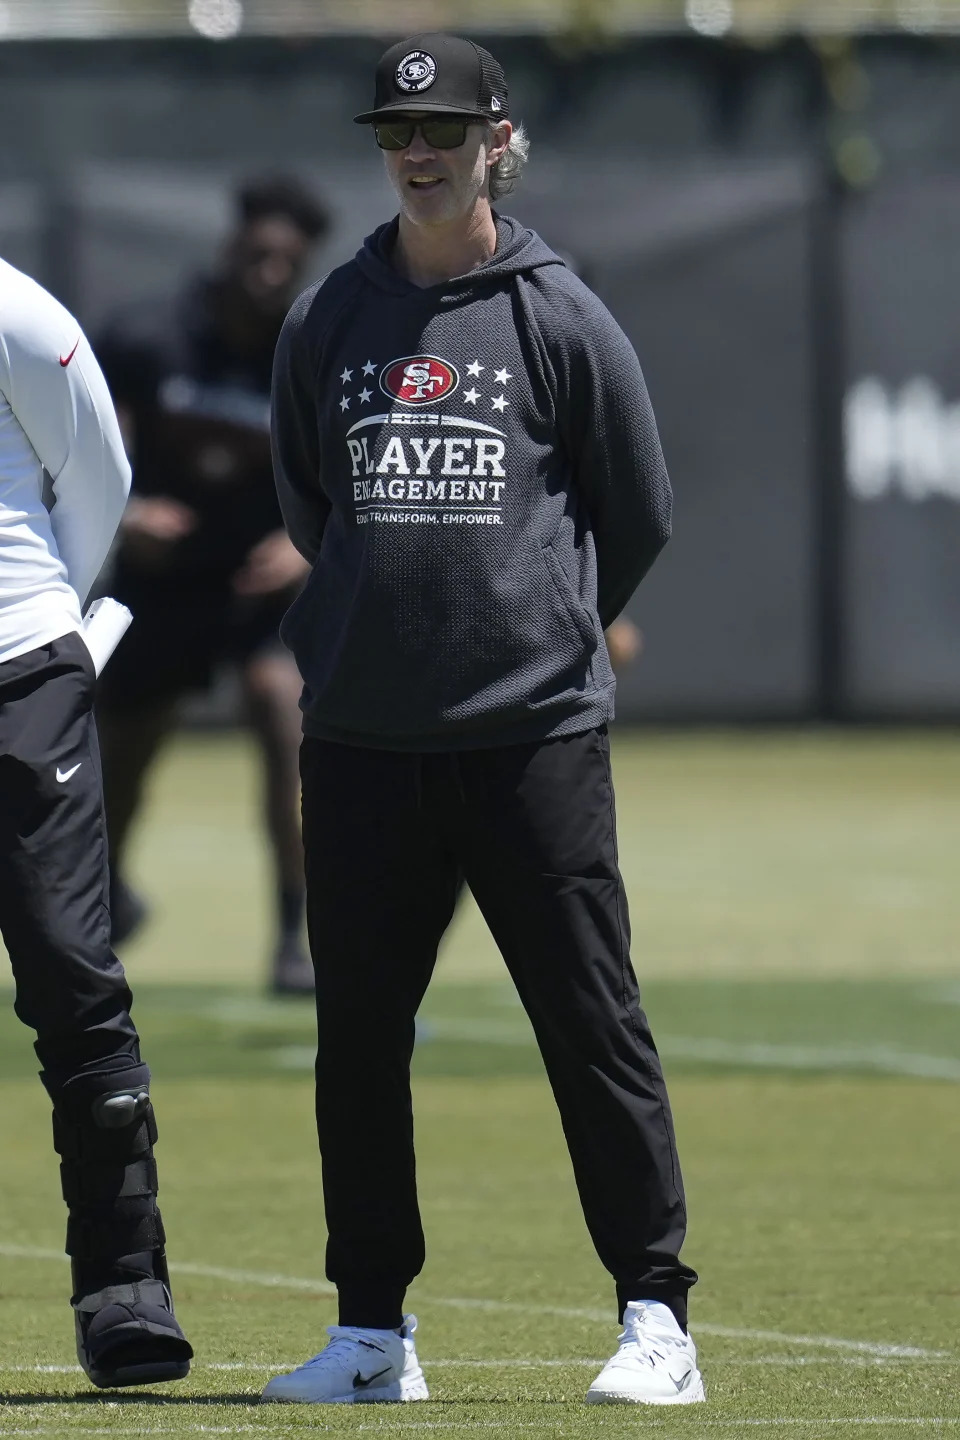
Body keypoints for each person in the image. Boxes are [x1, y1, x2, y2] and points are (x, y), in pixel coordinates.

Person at [262, 33, 703, 1409]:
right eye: (399, 129)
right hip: (365, 746)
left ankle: (655, 1319)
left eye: (446, 127)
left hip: (532, 742)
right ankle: (373, 1334)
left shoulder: (558, 312)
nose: (420, 148)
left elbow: (636, 513)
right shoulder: (331, 317)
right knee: (359, 1044)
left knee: (592, 1027)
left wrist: (548, 629)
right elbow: (308, 507)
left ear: (496, 139)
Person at [0, 256, 192, 1387]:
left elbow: (98, 469)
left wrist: (47, 629)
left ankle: (125, 1290)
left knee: (73, 974)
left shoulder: (13, 307)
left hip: (26, 671)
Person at [94, 175, 331, 995]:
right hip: (164, 583)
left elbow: (346, 469)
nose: (270, 275)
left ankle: (295, 940)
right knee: (123, 750)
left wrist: (306, 547)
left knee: (284, 716)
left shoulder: (312, 351)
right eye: (259, 255)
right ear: (231, 247)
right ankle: (101, 909)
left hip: (264, 587)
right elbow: (85, 451)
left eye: (287, 263)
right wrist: (127, 514)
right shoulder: (147, 338)